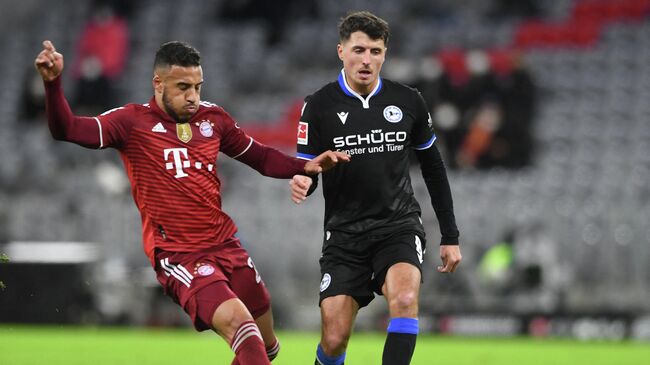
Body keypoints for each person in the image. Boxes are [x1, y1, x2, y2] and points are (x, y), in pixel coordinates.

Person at [35, 39, 349, 365]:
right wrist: (53, 83)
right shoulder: (130, 122)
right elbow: (67, 129)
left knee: (267, 347)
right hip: (180, 255)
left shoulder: (212, 119)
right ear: (158, 83)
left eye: (198, 87)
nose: (193, 97)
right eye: (183, 87)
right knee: (246, 334)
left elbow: (260, 157)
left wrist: (305, 166)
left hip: (226, 245)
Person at [289, 11, 462, 365]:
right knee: (334, 339)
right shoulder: (318, 106)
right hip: (344, 235)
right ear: (341, 51)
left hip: (397, 226)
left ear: (385, 54)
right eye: (359, 50)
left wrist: (450, 234)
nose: (367, 60)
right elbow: (308, 171)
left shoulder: (408, 100)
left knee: (404, 300)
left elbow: (433, 166)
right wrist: (304, 181)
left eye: (376, 51)